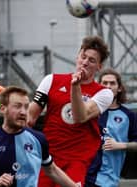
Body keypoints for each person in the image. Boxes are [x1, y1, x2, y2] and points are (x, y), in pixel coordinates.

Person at [27, 36, 114, 186]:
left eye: (92, 60)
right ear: (77, 57)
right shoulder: (51, 80)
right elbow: (30, 118)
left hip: (77, 160)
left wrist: (75, 87)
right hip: (48, 156)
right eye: (83, 56)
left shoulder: (104, 93)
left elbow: (81, 116)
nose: (85, 62)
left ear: (99, 66)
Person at [0, 86, 78, 187]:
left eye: (26, 107)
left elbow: (52, 170)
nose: (23, 112)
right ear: (3, 108)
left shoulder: (38, 139)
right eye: (17, 106)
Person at [85, 68, 137, 187]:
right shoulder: (88, 111)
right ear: (99, 86)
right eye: (104, 83)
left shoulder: (129, 116)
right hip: (84, 175)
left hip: (108, 180)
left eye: (112, 83)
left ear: (119, 88)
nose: (108, 86)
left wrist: (120, 145)